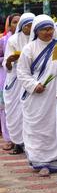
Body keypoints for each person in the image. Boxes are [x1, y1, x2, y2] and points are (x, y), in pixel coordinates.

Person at [16, 15, 57, 176]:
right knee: (38, 129)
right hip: (37, 97)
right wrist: (35, 86)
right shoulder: (30, 49)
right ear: (37, 31)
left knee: (54, 126)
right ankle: (40, 161)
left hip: (55, 95)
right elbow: (22, 73)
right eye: (44, 29)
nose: (48, 32)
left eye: (50, 28)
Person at [3, 13, 35, 155]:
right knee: (15, 113)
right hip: (15, 81)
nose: (29, 28)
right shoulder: (13, 40)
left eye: (31, 25)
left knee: (29, 112)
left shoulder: (36, 39)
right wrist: (10, 60)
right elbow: (6, 65)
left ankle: (30, 144)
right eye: (26, 25)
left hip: (31, 78)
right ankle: (17, 142)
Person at [0, 13, 20, 151]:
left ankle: (21, 140)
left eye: (20, 21)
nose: (17, 24)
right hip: (6, 78)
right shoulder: (3, 40)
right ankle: (9, 138)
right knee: (6, 109)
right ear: (9, 24)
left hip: (24, 79)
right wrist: (7, 59)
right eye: (14, 22)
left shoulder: (31, 39)